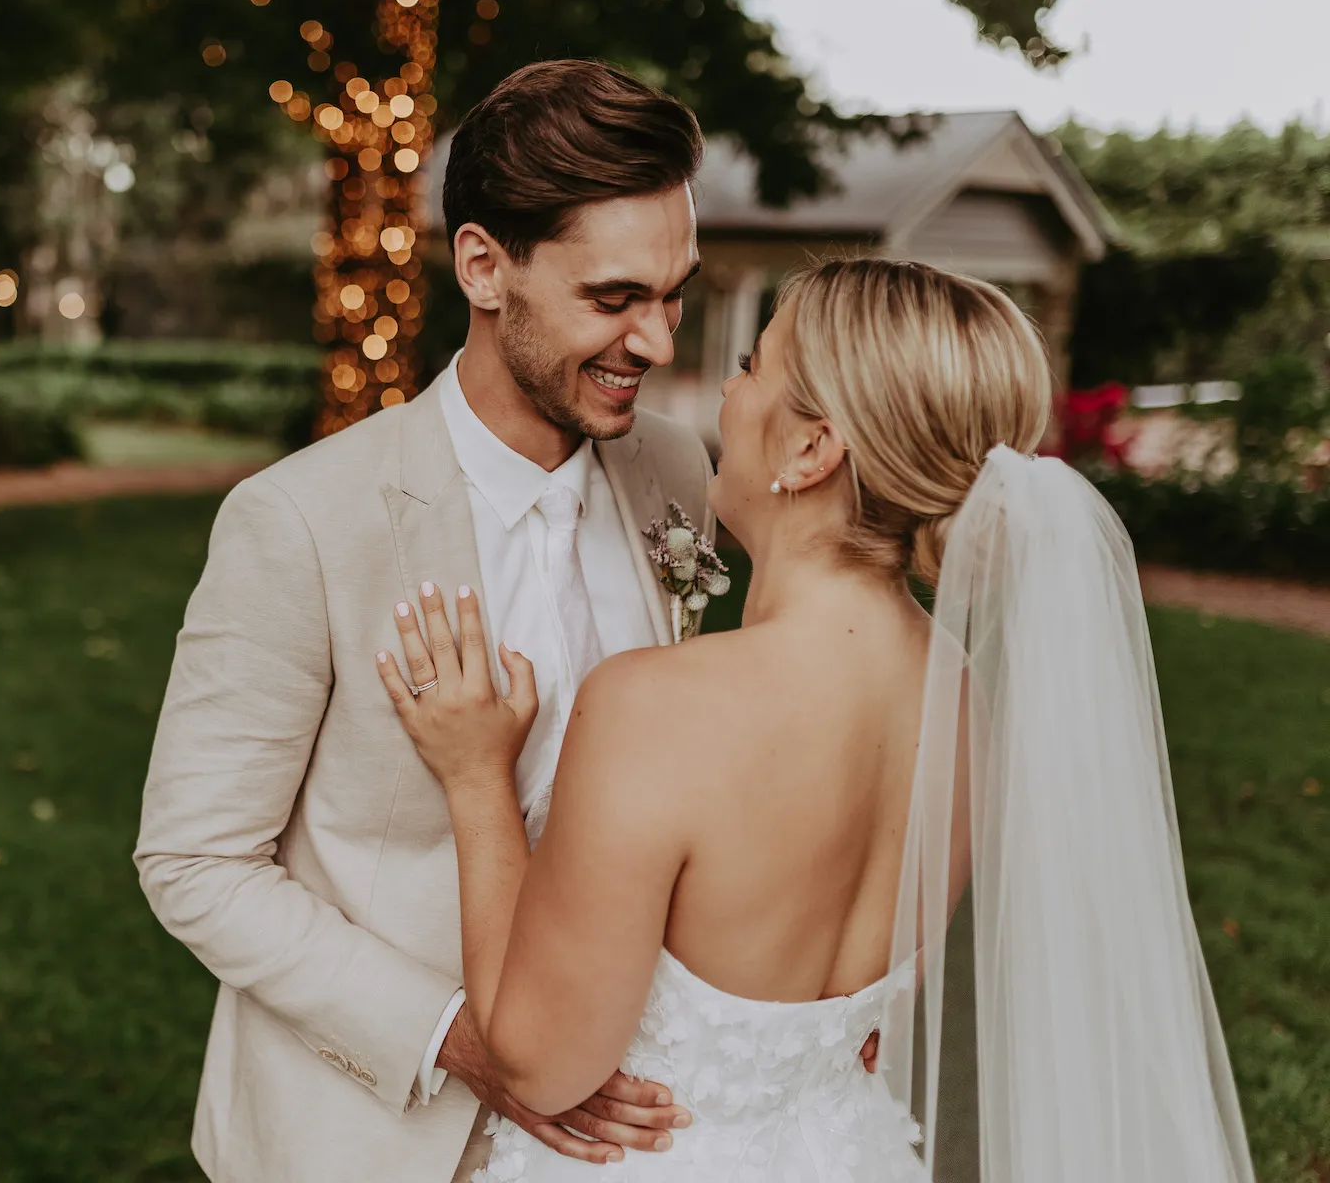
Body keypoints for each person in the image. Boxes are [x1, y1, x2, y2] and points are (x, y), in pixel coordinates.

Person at [375, 257, 1257, 1181]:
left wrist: (477, 779)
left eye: (753, 364)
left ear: (812, 450)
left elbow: (540, 1064)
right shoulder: (969, 705)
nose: (727, 385)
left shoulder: (656, 707)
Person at [137, 60, 722, 1183]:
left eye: (674, 292)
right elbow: (195, 858)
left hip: (631, 1119)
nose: (656, 341)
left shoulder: (673, 471)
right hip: (371, 1136)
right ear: (483, 266)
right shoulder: (299, 523)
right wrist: (466, 1039)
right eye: (613, 300)